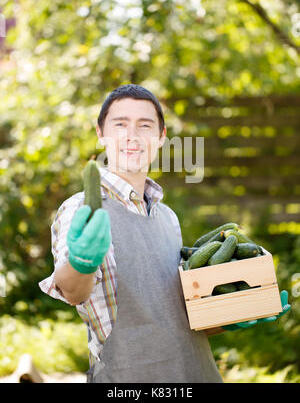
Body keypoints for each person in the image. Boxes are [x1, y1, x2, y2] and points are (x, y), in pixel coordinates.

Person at [39, 84, 290, 383]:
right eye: (120, 124)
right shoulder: (82, 208)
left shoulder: (166, 216)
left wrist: (232, 316)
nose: (132, 135)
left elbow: (176, 321)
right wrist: (81, 262)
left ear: (160, 138)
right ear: (101, 134)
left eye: (145, 126)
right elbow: (73, 291)